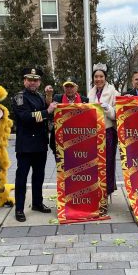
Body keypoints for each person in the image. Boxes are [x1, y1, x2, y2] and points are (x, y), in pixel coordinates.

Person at [12, 67, 57, 222]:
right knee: (21, 178)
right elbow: (25, 117)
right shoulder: (20, 97)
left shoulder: (38, 96)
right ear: (24, 80)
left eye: (35, 80)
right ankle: (19, 209)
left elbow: (47, 108)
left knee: (39, 176)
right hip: (25, 145)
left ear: (39, 82)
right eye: (29, 80)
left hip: (39, 144)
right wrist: (47, 112)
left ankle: (37, 203)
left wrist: (49, 96)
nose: (32, 82)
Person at [88, 63, 120, 196]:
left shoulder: (113, 91)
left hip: (108, 132)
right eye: (96, 76)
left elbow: (118, 115)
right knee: (95, 163)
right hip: (94, 133)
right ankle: (96, 190)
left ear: (105, 78)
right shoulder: (90, 92)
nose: (98, 79)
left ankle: (106, 192)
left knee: (107, 163)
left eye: (101, 76)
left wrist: (108, 109)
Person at [49, 77, 89, 157]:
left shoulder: (85, 100)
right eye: (67, 87)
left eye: (72, 86)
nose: (69, 89)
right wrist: (49, 96)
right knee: (62, 167)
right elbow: (50, 111)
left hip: (78, 140)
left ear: (77, 88)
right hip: (60, 141)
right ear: (64, 88)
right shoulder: (57, 98)